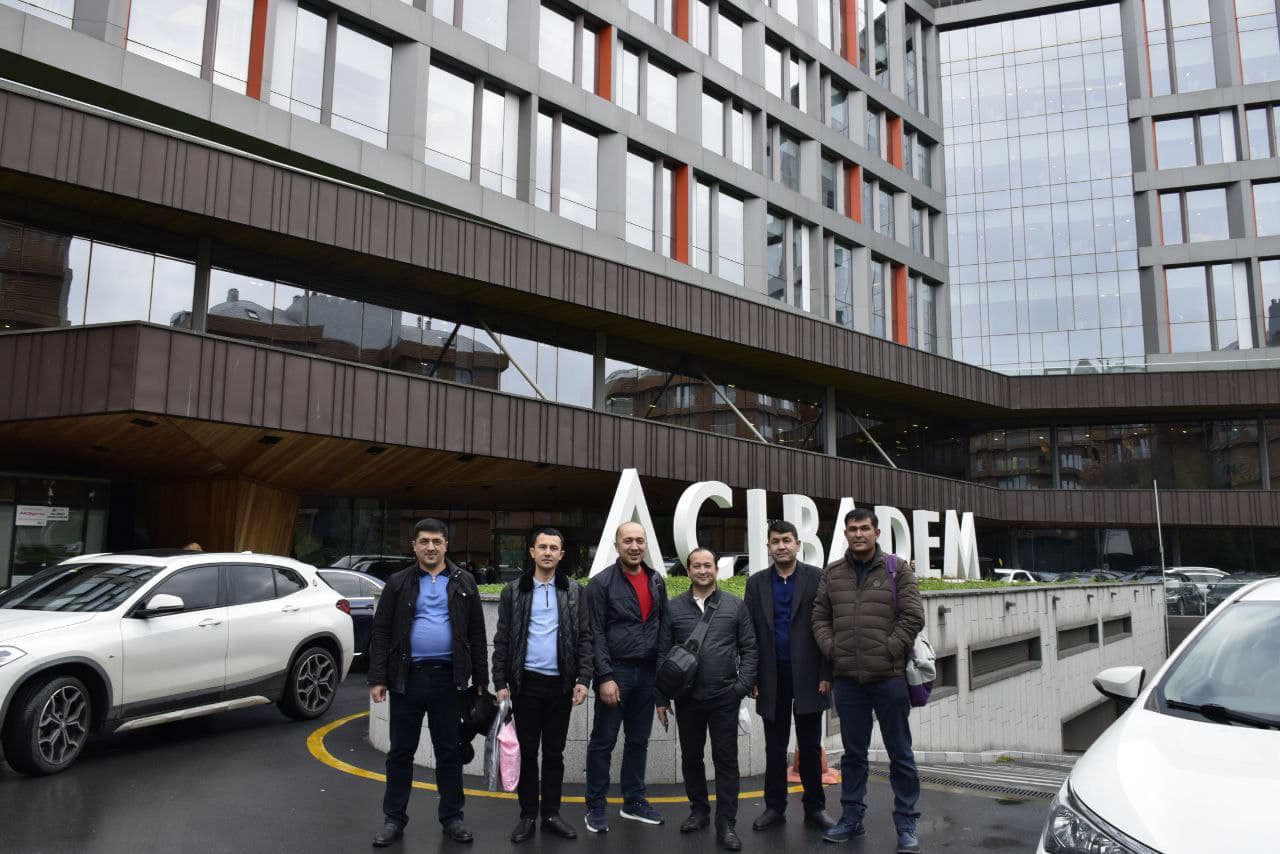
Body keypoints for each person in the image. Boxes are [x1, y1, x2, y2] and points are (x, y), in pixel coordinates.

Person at [367, 518, 489, 848]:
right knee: (401, 752)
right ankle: (394, 818)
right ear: (414, 546)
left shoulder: (465, 581)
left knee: (448, 751)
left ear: (446, 545)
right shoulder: (397, 582)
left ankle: (453, 818)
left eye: (437, 541)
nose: (431, 547)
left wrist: (481, 680)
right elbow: (380, 632)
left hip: (449, 681)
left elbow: (477, 634)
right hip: (406, 680)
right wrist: (378, 677)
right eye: (424, 541)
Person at [813, 508, 925, 854]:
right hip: (848, 680)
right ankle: (851, 817)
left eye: (864, 528)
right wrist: (833, 649)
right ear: (845, 534)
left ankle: (906, 823)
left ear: (877, 532)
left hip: (889, 678)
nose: (858, 534)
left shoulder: (897, 569)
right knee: (853, 755)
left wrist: (890, 648)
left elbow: (913, 616)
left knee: (900, 753)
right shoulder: (832, 574)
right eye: (852, 529)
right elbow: (819, 616)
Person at [491, 527, 593, 843]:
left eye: (554, 548)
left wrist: (583, 678)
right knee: (526, 753)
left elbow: (586, 637)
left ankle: (550, 814)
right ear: (532, 552)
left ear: (562, 555)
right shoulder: (514, 591)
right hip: (525, 686)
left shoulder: (575, 591)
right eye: (542, 547)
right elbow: (503, 638)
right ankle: (527, 815)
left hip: (560, 686)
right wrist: (500, 682)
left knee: (553, 754)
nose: (548, 552)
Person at [659, 547, 757, 851]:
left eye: (707, 565)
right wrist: (661, 698)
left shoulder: (734, 606)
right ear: (688, 571)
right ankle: (699, 810)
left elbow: (750, 649)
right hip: (687, 700)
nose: (702, 571)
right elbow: (662, 655)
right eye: (696, 566)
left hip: (724, 697)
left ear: (716, 569)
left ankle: (726, 823)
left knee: (726, 761)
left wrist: (740, 688)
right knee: (692, 758)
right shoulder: (673, 608)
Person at [743, 520, 835, 832]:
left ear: (797, 544)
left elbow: (827, 626)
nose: (781, 546)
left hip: (810, 676)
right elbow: (750, 634)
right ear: (768, 547)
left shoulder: (816, 578)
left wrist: (827, 672)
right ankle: (774, 808)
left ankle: (815, 808)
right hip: (771, 676)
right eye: (775, 541)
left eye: (786, 540)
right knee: (774, 747)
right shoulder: (755, 584)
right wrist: (751, 675)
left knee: (809, 747)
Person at [582, 521, 670, 833]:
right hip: (615, 672)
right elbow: (595, 633)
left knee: (638, 740)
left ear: (645, 545)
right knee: (603, 741)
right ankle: (595, 805)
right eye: (628, 541)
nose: (634, 546)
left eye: (639, 540)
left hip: (647, 674)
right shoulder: (601, 583)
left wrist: (661, 681)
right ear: (617, 545)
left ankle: (633, 802)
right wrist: (604, 676)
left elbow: (662, 630)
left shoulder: (656, 580)